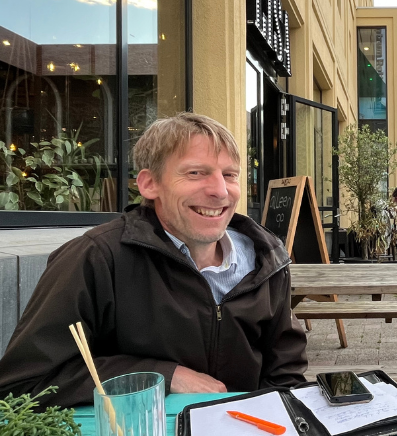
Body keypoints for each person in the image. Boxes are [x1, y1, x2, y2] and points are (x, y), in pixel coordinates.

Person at [0, 113, 307, 407]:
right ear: (149, 184)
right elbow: (24, 384)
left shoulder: (267, 261)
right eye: (195, 173)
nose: (219, 190)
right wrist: (162, 377)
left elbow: (285, 379)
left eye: (229, 175)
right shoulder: (96, 259)